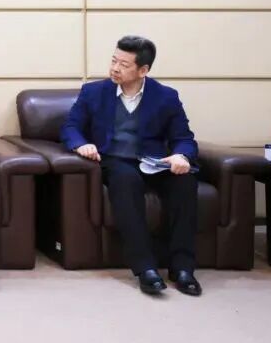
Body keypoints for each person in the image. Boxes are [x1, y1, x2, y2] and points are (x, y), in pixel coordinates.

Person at [61, 35, 201, 296]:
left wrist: (181, 156)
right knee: (125, 180)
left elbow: (184, 138)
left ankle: (183, 268)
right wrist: (81, 144)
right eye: (114, 61)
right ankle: (145, 268)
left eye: (124, 64)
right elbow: (71, 127)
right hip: (115, 160)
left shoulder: (166, 97)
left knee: (185, 181)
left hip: (154, 161)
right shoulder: (93, 92)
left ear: (143, 70)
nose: (115, 68)